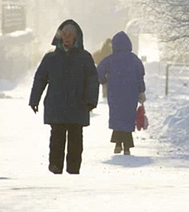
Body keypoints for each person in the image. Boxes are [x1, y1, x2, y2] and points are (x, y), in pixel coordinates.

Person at [29, 19, 99, 174]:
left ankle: (73, 170)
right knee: (56, 140)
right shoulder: (50, 58)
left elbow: (92, 81)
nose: (67, 37)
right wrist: (34, 100)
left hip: (78, 106)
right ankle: (55, 168)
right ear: (59, 37)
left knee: (76, 141)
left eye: (70, 35)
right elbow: (40, 79)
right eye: (64, 34)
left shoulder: (85, 58)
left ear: (76, 37)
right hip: (57, 106)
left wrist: (91, 101)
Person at [97, 31, 146, 155]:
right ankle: (127, 147)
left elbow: (99, 71)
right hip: (131, 93)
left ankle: (118, 143)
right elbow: (140, 76)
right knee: (128, 116)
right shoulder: (134, 59)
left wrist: (104, 81)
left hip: (115, 92)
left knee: (117, 116)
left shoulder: (110, 59)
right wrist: (141, 91)